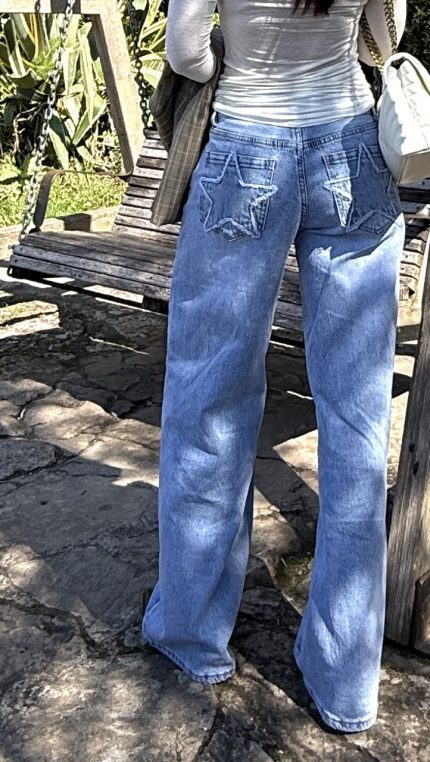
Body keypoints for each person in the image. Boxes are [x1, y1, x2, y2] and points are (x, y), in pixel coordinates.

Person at [142, 0, 408, 734]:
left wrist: (246, 50)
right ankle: (346, 681)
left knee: (209, 402)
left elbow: (186, 51)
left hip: (244, 146)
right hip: (352, 148)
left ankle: (193, 632)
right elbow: (382, 41)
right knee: (357, 426)